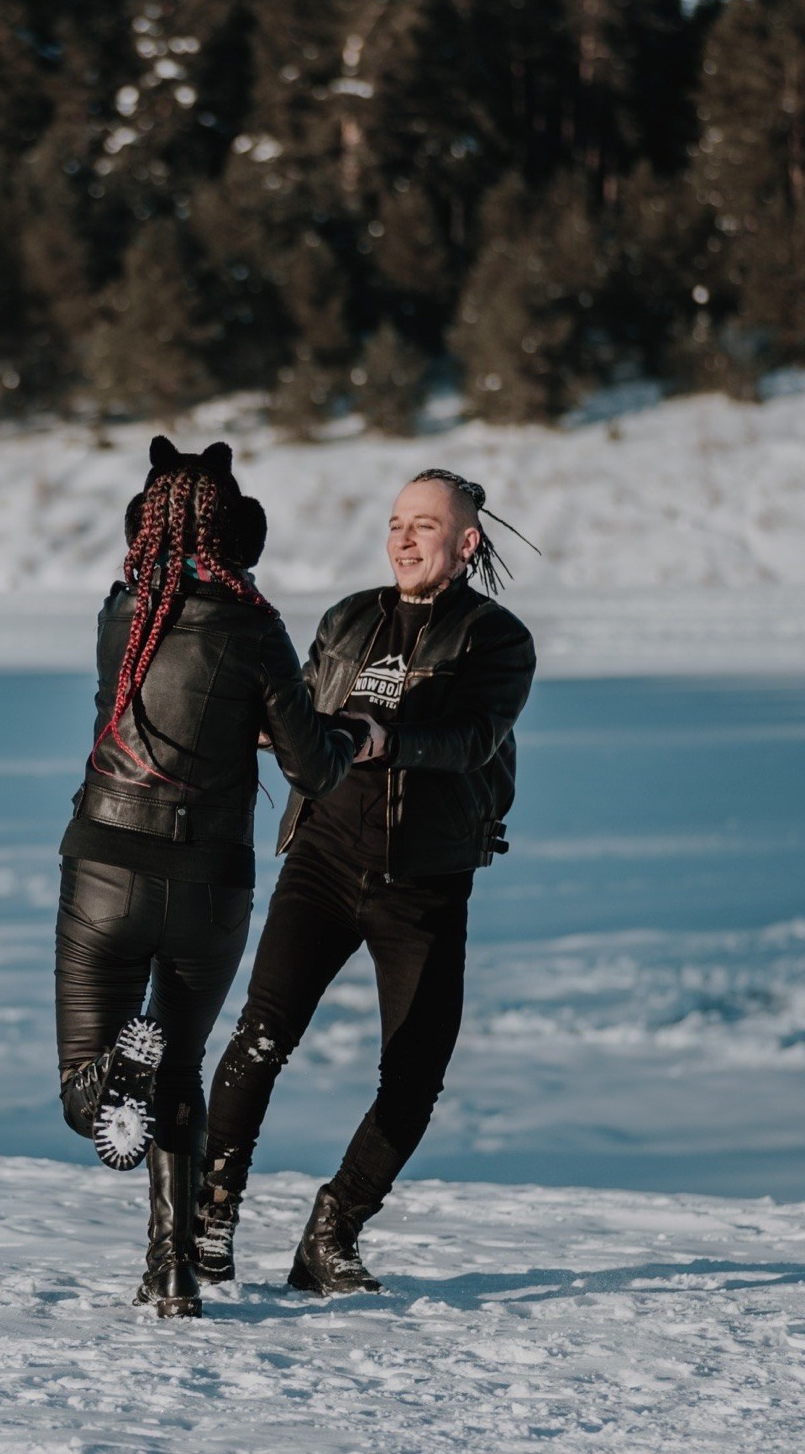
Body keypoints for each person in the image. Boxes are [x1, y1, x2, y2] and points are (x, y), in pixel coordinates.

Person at [195, 469, 537, 1295]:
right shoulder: (349, 618)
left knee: (415, 1078)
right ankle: (209, 1219)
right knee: (260, 1040)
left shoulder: (497, 640)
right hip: (323, 859)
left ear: (467, 542)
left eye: (425, 524)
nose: (405, 537)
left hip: (424, 882)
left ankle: (333, 1229)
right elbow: (298, 715)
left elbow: (471, 739)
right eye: (395, 522)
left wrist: (388, 735)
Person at [54, 435, 358, 1319]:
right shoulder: (256, 625)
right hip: (211, 884)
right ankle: (172, 1270)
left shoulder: (122, 612)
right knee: (180, 1068)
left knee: (88, 1091)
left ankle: (114, 1074)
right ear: (240, 535)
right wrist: (348, 737)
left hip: (105, 867)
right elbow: (311, 765)